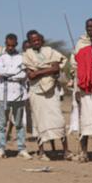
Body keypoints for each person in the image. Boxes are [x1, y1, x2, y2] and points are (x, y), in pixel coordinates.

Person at [23, 31, 66, 161]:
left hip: (51, 90)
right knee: (38, 120)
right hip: (36, 92)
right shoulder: (26, 56)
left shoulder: (50, 51)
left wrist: (38, 71)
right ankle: (42, 152)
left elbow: (56, 68)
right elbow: (30, 75)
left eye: (38, 40)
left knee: (58, 119)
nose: (36, 42)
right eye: (33, 41)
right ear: (29, 43)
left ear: (42, 40)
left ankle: (65, 151)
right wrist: (48, 68)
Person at [70, 26, 92, 160]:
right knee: (85, 122)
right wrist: (77, 90)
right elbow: (78, 73)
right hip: (85, 91)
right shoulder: (83, 52)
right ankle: (84, 152)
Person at [0, 33, 28, 159]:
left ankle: (22, 148)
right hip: (3, 94)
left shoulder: (22, 57)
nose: (10, 47)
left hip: (19, 93)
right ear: (5, 44)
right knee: (2, 124)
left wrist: (11, 75)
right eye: (8, 45)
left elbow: (24, 74)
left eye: (13, 45)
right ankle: (1, 148)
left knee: (19, 123)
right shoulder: (0, 57)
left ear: (16, 44)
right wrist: (15, 74)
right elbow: (1, 72)